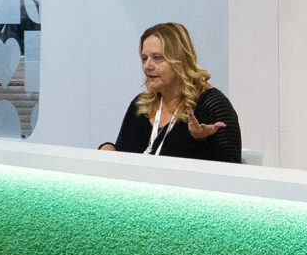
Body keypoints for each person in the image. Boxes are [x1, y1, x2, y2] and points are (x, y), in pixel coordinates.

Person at [101, 22, 242, 162]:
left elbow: (233, 171)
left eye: (157, 58)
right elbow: (123, 156)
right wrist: (109, 149)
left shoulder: (212, 105)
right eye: (144, 58)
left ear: (180, 61)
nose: (147, 66)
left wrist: (203, 141)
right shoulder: (141, 105)